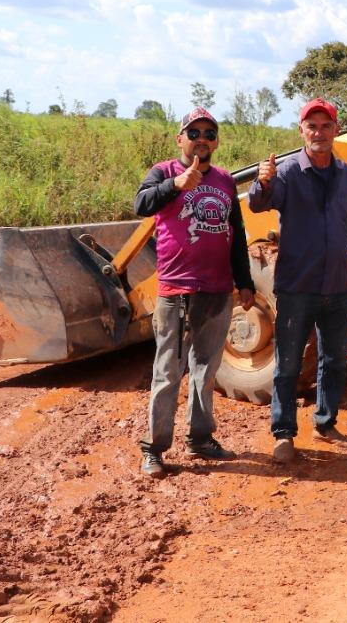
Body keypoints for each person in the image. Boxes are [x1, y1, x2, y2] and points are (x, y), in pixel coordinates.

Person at [248, 97, 347, 463]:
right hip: (297, 286)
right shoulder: (289, 173)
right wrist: (262, 183)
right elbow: (260, 203)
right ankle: (283, 434)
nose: (319, 132)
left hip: (338, 287)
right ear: (302, 131)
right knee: (288, 363)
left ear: (336, 130)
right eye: (312, 126)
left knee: (335, 360)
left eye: (326, 126)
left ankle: (325, 424)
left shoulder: (344, 175)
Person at [135, 107, 255, 478]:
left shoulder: (223, 180)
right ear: (180, 139)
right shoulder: (164, 172)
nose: (201, 138)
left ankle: (200, 438)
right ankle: (154, 448)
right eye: (194, 132)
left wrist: (245, 281)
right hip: (175, 289)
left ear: (216, 141)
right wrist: (175, 185)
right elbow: (141, 204)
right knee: (168, 370)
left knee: (206, 369)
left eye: (209, 133)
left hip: (216, 289)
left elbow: (236, 234)